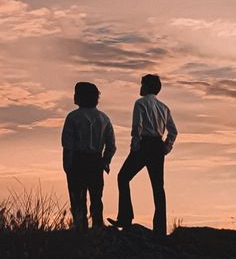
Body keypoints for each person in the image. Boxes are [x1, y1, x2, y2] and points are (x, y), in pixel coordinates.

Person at [108, 74, 177, 237]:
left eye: (142, 84)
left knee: (123, 177)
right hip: (157, 146)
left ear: (146, 87)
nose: (140, 87)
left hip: (144, 145)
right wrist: (166, 147)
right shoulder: (164, 107)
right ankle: (160, 229)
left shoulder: (140, 103)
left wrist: (135, 147)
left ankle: (125, 217)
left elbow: (137, 127)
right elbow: (173, 131)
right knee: (158, 187)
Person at [62, 82, 116, 230]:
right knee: (96, 197)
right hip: (96, 161)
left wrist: (67, 165)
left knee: (77, 198)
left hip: (77, 160)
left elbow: (67, 145)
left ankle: (80, 228)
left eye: (76, 93)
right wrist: (105, 161)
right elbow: (111, 145)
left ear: (81, 97)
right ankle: (98, 226)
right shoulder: (104, 118)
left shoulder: (72, 117)